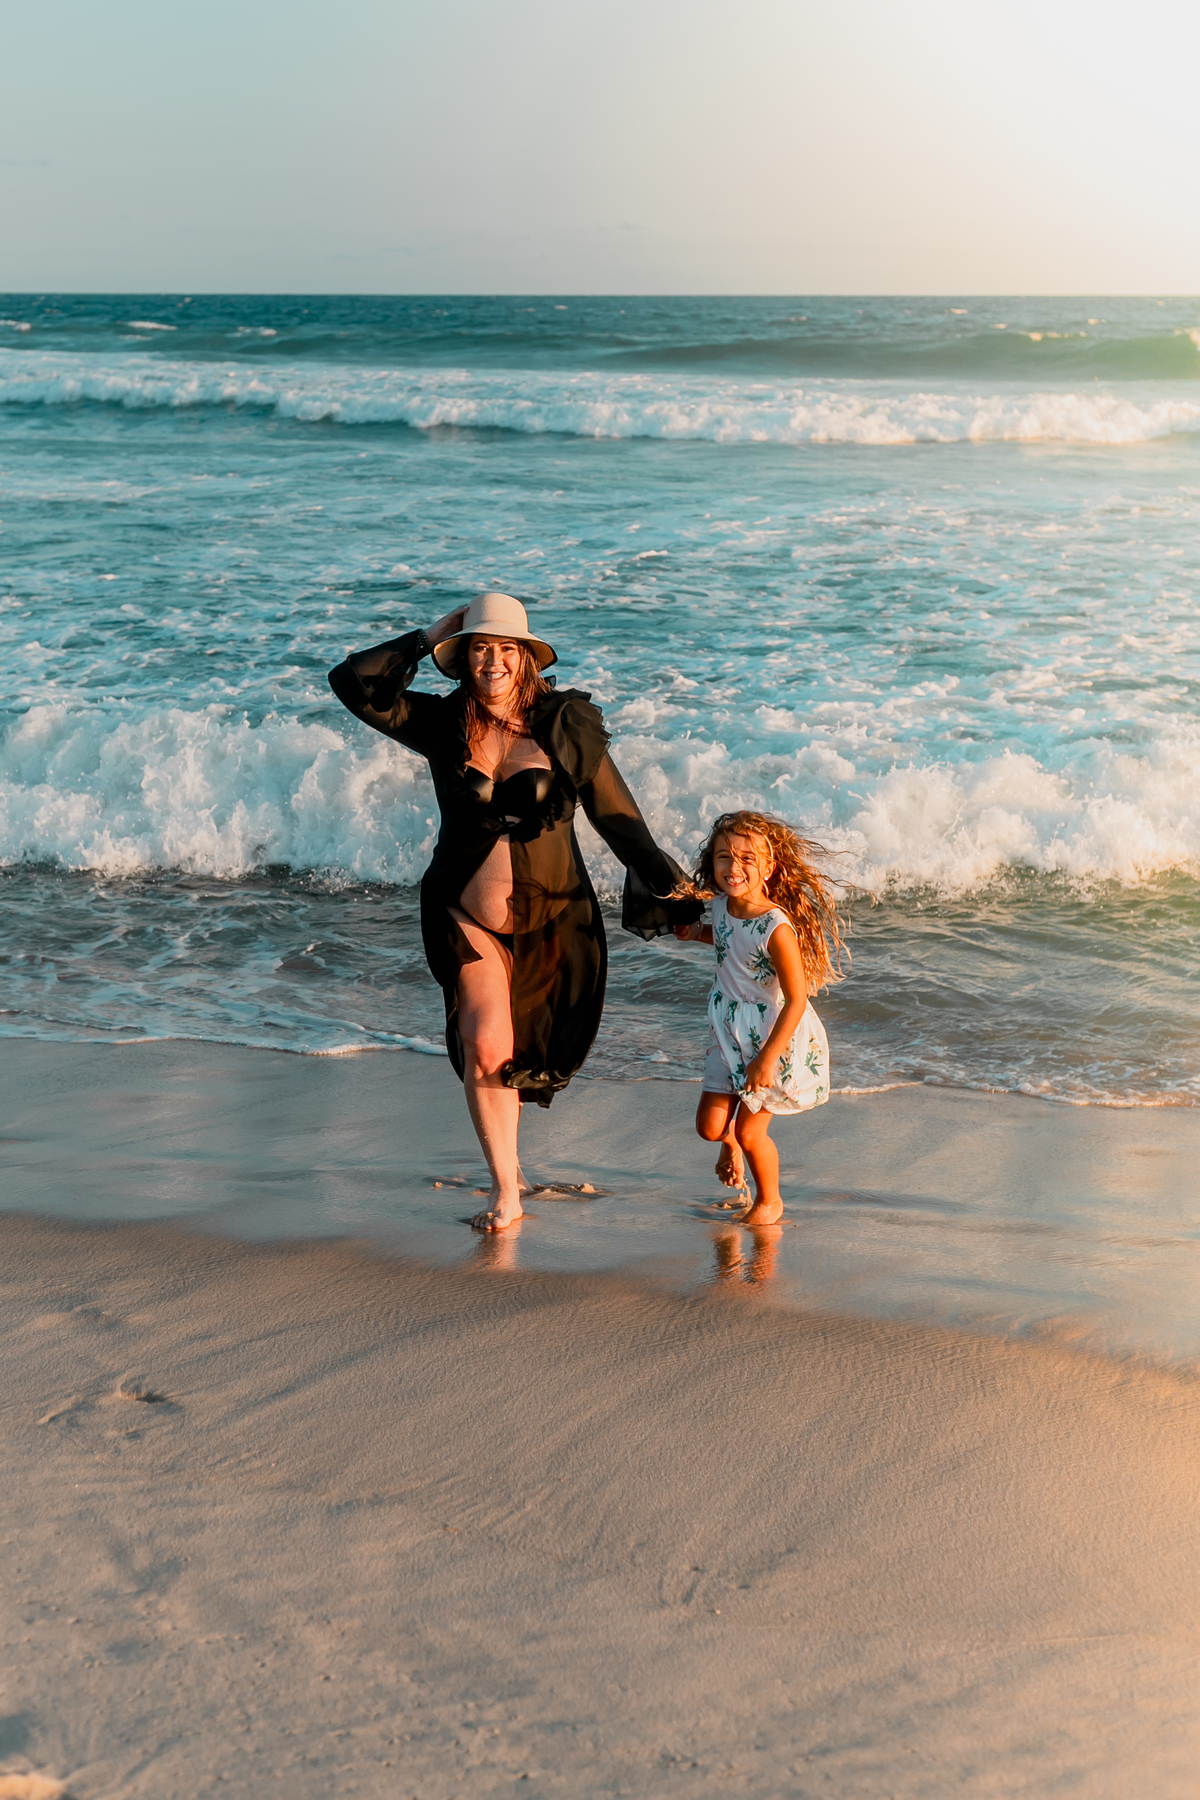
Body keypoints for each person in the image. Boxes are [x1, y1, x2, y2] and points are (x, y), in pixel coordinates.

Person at [328, 592, 699, 1232]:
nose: (492, 660)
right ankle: (506, 1190)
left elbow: (618, 819)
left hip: (553, 917)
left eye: (505, 648)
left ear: (526, 657)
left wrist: (683, 892)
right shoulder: (443, 723)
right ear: (463, 657)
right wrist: (424, 636)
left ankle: (513, 1170)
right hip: (461, 911)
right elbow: (352, 684)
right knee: (484, 1043)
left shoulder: (565, 725)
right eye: (479, 647)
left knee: (514, 1058)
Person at [673, 811, 845, 1226]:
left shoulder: (776, 927)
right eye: (724, 858)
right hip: (727, 1030)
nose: (734, 869)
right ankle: (727, 1143)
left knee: (752, 1132)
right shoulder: (720, 907)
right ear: (710, 863)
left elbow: (798, 999)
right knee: (711, 1127)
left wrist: (767, 1058)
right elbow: (729, 938)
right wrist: (696, 933)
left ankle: (770, 1201)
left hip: (771, 1038)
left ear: (769, 867)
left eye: (748, 859)